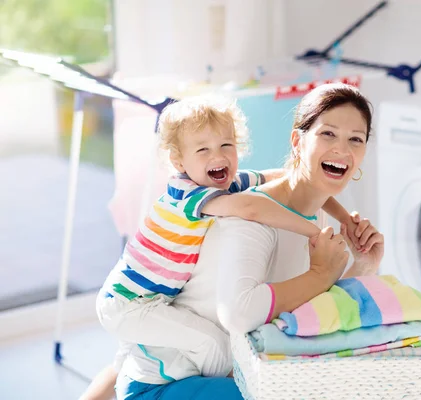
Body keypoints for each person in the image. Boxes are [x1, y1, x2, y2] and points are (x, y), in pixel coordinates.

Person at [84, 83, 384, 400]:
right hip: (161, 368)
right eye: (328, 134)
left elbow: (307, 314)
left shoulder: (297, 209)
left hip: (168, 353)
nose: (343, 149)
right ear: (297, 140)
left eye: (356, 139)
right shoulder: (244, 214)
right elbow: (241, 313)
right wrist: (322, 270)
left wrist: (363, 262)